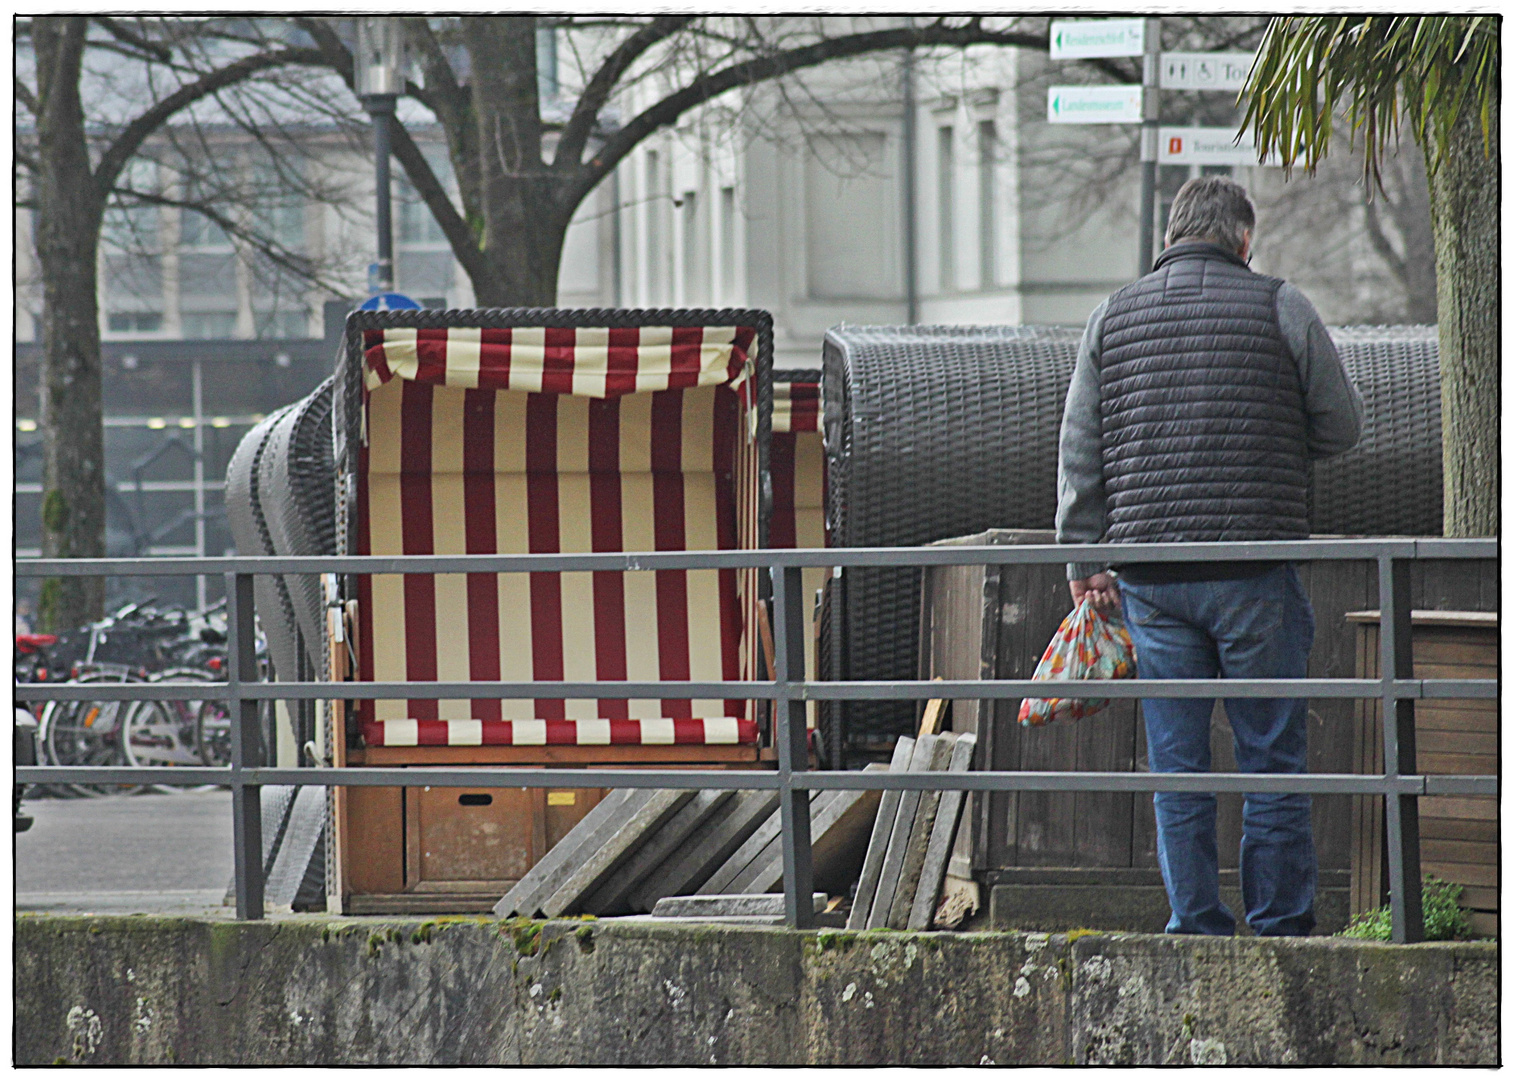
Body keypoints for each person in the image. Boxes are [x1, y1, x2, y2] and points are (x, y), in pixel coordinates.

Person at [1055, 175, 1364, 937]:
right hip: (1255, 569)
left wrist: (1082, 558)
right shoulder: (1280, 305)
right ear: (1244, 239)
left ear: (1171, 235)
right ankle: (1281, 925)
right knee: (1271, 757)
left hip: (1153, 578)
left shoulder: (1111, 317)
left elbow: (1080, 448)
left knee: (1178, 764)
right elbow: (1343, 426)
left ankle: (1194, 920)